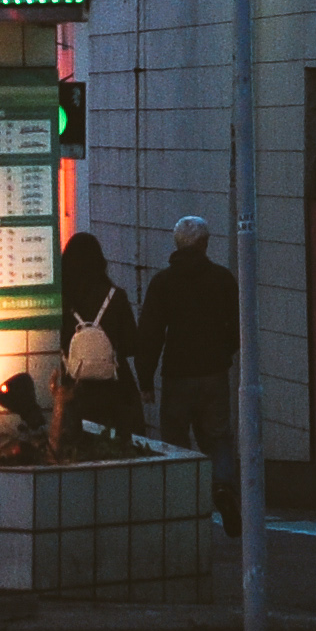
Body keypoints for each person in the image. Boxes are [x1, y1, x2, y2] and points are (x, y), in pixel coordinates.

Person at [145, 213, 241, 531]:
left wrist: (145, 378)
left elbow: (152, 332)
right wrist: (224, 353)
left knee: (175, 439)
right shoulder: (222, 279)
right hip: (214, 371)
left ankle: (182, 500)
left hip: (177, 373)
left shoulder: (163, 283)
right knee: (218, 436)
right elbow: (236, 327)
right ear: (205, 243)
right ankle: (222, 486)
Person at [53, 232, 144, 449]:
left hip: (76, 389)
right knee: (120, 447)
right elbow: (131, 344)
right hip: (116, 388)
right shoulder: (116, 296)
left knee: (79, 447)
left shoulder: (62, 301)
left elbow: (59, 342)